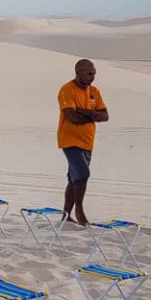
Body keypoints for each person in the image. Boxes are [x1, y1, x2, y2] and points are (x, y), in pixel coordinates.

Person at [57, 59, 109, 225]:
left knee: (74, 178)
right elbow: (72, 117)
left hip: (88, 141)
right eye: (89, 73)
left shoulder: (94, 91)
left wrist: (84, 112)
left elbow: (105, 115)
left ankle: (66, 215)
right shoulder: (67, 90)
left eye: (94, 74)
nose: (92, 77)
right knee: (82, 173)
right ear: (78, 72)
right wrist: (93, 114)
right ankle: (79, 210)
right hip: (69, 140)